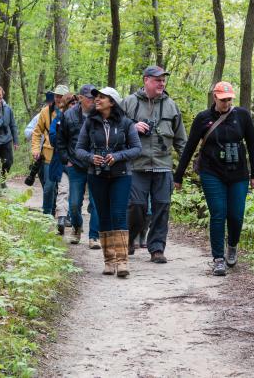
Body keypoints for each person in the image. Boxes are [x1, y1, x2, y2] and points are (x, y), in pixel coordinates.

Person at [173, 81, 254, 276]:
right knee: (218, 213)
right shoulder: (203, 118)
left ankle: (232, 246)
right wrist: (178, 176)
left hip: (238, 173)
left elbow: (252, 145)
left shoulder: (242, 116)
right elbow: (189, 148)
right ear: (214, 97)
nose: (226, 103)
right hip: (211, 172)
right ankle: (218, 259)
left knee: (236, 215)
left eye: (229, 100)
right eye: (222, 100)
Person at [122, 66, 187, 263]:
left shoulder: (171, 106)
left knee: (162, 207)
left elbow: (181, 139)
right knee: (136, 207)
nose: (162, 83)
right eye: (157, 80)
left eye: (163, 80)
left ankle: (157, 248)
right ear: (146, 80)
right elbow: (114, 131)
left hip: (163, 165)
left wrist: (184, 169)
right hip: (136, 165)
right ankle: (129, 239)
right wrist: (131, 127)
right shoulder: (129, 103)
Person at [76, 87, 142, 277]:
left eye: (102, 97)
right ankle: (109, 261)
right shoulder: (90, 123)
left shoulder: (126, 123)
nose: (97, 100)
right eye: (96, 97)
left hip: (121, 174)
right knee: (103, 214)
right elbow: (79, 149)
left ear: (112, 102)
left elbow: (136, 149)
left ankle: (122, 262)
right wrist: (91, 157)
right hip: (96, 174)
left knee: (119, 213)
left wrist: (118, 155)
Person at [56, 84, 100, 248]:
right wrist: (66, 159)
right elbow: (61, 141)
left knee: (97, 204)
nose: (93, 101)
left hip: (96, 166)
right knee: (74, 204)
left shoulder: (101, 115)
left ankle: (94, 236)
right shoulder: (68, 116)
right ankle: (77, 227)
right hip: (76, 166)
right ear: (80, 98)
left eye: (95, 98)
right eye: (90, 98)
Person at [32, 85, 71, 232]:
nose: (59, 99)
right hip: (49, 154)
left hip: (67, 156)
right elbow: (36, 133)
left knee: (66, 188)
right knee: (49, 187)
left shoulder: (72, 112)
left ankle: (65, 216)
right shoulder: (46, 112)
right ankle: (47, 215)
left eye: (62, 96)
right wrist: (35, 149)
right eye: (57, 96)